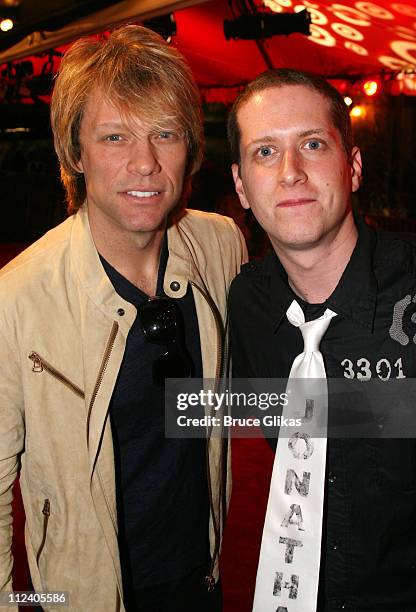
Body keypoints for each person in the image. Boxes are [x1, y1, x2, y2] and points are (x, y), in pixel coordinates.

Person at [0, 25, 247, 612]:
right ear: (75, 153)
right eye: (115, 137)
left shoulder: (220, 245)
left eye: (165, 134)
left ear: (191, 146)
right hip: (83, 595)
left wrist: (384, 407)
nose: (145, 163)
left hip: (202, 577)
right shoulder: (17, 298)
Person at [228, 68, 416, 610]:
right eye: (265, 152)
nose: (290, 173)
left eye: (312, 144)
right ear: (241, 185)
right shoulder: (248, 304)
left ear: (352, 167)